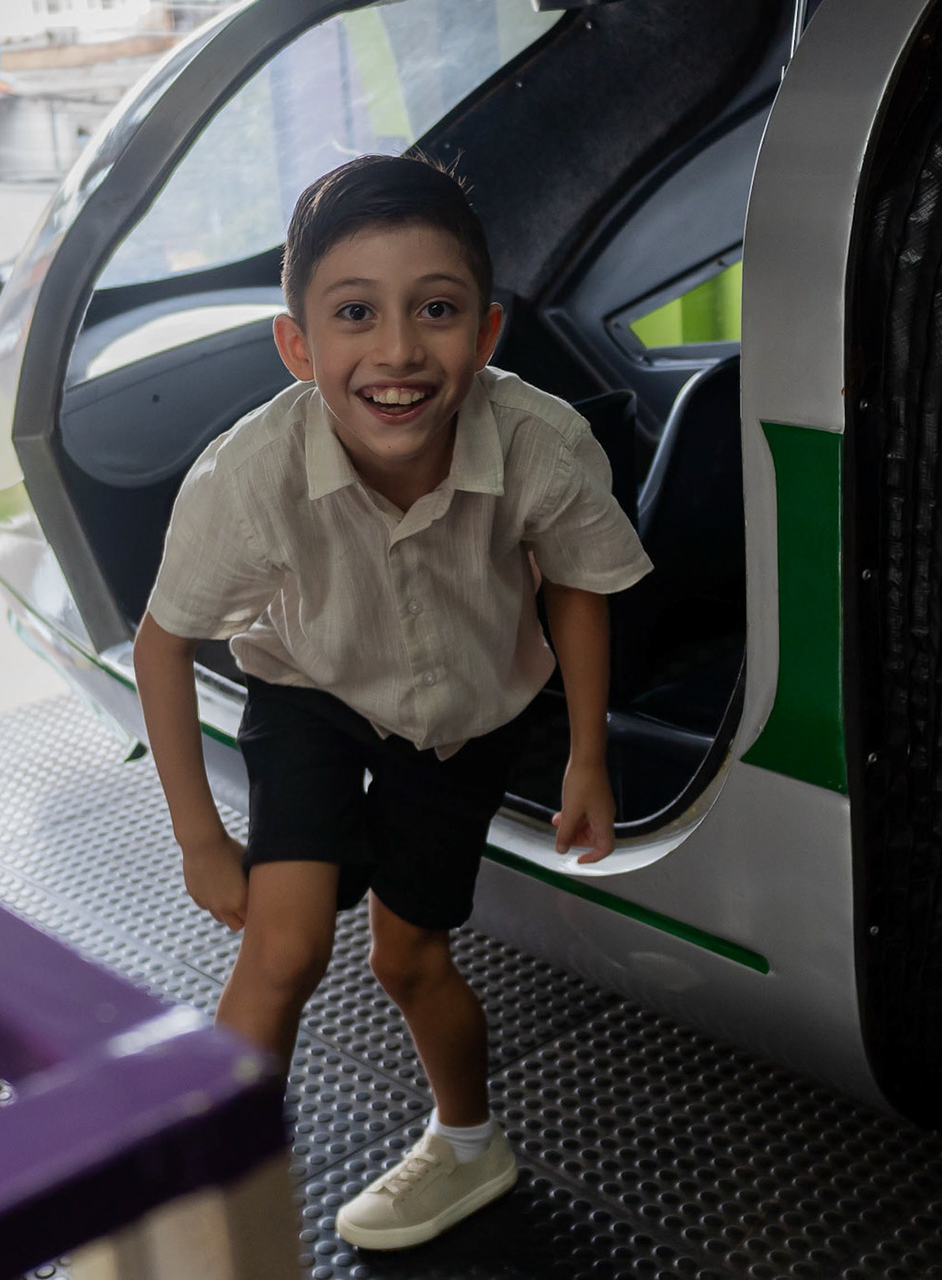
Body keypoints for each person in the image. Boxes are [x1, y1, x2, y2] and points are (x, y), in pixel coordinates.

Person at [133, 154, 653, 1249]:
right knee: (282, 949)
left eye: (437, 310)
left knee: (406, 958)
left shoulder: (539, 442)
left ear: (488, 332)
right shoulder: (249, 476)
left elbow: (577, 586)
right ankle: (210, 1220)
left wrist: (586, 758)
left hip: (463, 716)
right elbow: (162, 644)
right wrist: (199, 838)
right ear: (298, 346)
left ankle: (468, 1145)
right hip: (311, 690)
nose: (400, 350)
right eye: (356, 313)